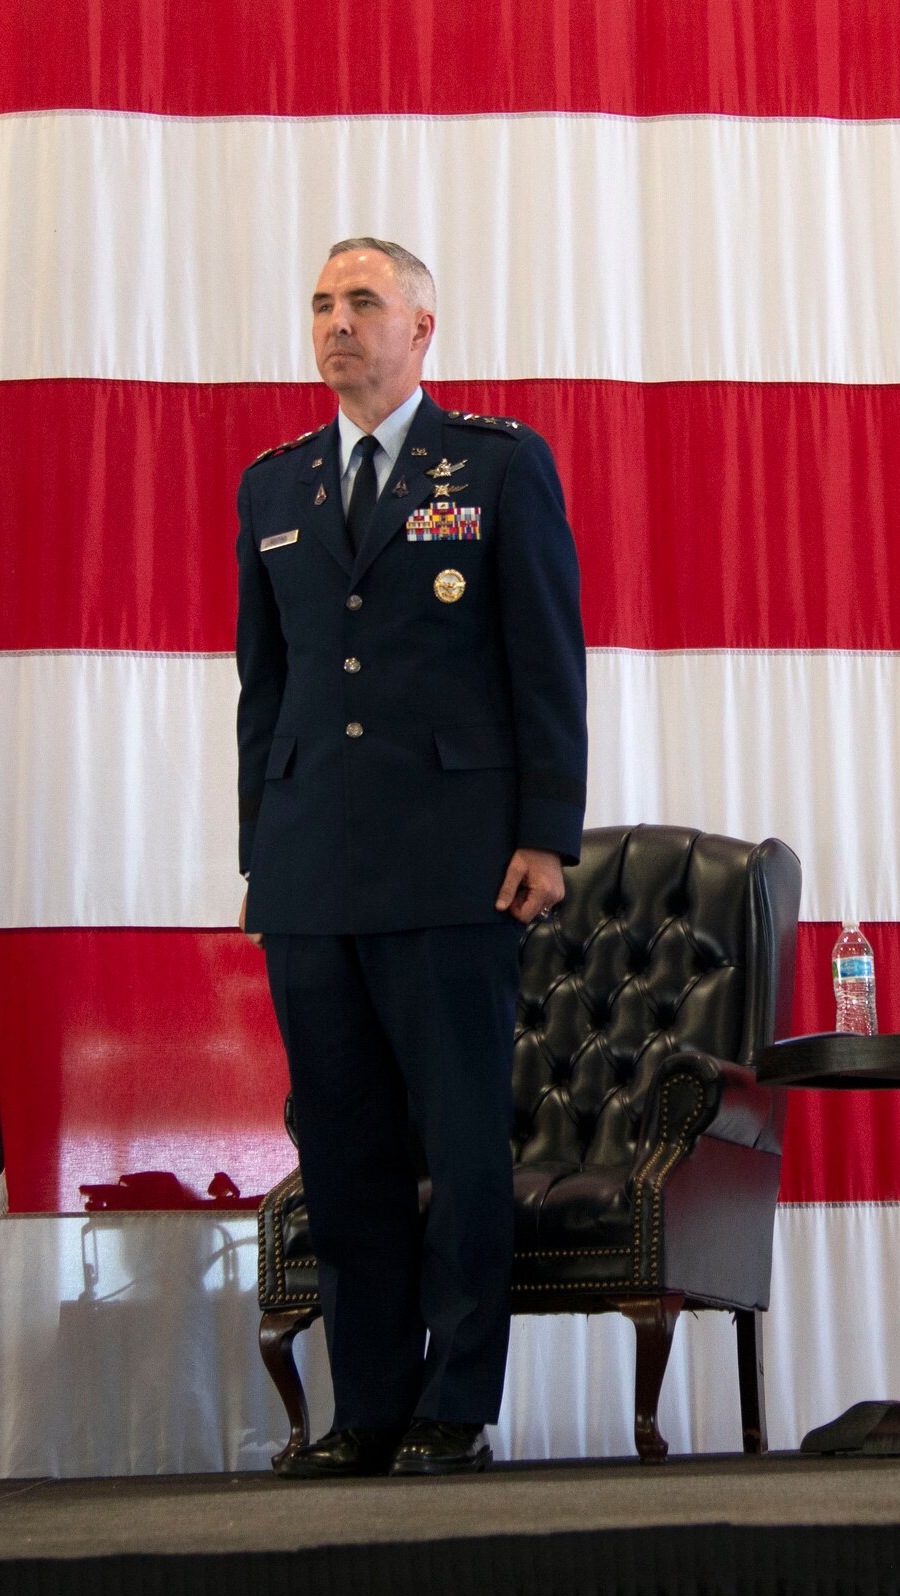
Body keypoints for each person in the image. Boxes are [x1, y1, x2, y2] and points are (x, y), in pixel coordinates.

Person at [235, 238, 587, 1478]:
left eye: (363, 302)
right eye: (323, 302)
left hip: (453, 865)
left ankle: (454, 1405)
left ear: (422, 327)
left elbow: (545, 659)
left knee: (459, 1145)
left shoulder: (493, 466)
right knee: (342, 1152)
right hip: (309, 871)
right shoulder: (273, 489)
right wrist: (256, 854)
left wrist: (547, 831)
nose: (338, 323)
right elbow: (262, 689)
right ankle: (367, 1407)